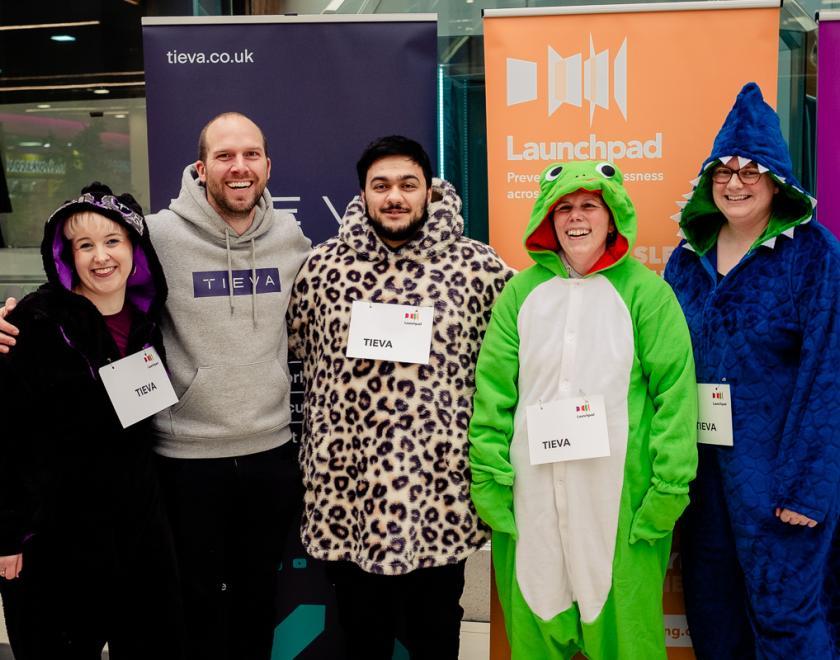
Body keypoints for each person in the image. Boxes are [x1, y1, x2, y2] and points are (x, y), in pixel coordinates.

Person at [0, 112, 312, 660]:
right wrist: (10, 318)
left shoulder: (289, 237)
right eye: (224, 155)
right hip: (182, 461)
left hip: (267, 453)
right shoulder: (158, 233)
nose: (238, 167)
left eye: (251, 155)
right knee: (187, 613)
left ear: (267, 164)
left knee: (255, 602)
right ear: (201, 166)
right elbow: (86, 269)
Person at [287, 135, 512, 659]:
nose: (394, 197)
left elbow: (517, 354)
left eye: (408, 185)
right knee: (361, 634)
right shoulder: (322, 270)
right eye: (380, 185)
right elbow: (298, 344)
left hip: (436, 493)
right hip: (348, 492)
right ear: (363, 194)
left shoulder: (480, 270)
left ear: (429, 192)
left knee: (435, 632)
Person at [469, 160, 698, 659]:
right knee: (534, 635)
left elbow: (676, 396)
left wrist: (668, 487)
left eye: (589, 205)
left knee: (626, 641)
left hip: (618, 503)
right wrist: (488, 478)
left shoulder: (647, 294)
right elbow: (493, 393)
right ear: (547, 219)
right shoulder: (520, 295)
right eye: (564, 207)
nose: (576, 217)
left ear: (611, 215)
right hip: (532, 504)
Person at [664, 82, 840, 659]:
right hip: (702, 477)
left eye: (750, 171)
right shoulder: (685, 260)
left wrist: (808, 489)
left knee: (787, 620)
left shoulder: (813, 254)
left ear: (777, 181)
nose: (734, 183)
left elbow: (828, 376)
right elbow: (664, 370)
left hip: (776, 482)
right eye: (723, 171)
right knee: (713, 618)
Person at [0, 183, 183, 659]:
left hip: (137, 535)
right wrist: (8, 535)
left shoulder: (146, 323)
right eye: (85, 245)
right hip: (56, 541)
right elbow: (9, 437)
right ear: (66, 256)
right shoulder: (33, 324)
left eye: (113, 241)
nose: (101, 257)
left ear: (135, 250)